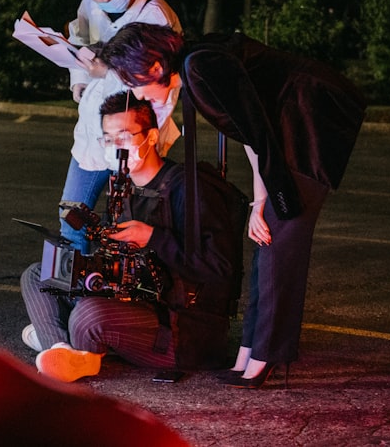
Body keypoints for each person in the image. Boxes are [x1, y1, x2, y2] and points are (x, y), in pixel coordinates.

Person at [99, 23, 366, 389]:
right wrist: (261, 201)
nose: (135, 93)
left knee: (279, 244)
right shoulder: (196, 65)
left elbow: (258, 135)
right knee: (267, 242)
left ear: (156, 68)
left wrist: (265, 201)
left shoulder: (200, 67)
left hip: (310, 125)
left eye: (134, 80)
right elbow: (249, 132)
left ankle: (265, 357)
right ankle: (249, 352)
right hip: (286, 132)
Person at [20, 92, 240, 382]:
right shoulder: (123, 186)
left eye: (123, 137)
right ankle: (61, 348)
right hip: (132, 299)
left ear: (150, 138)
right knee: (40, 272)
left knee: (87, 316)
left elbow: (221, 267)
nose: (115, 147)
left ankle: (62, 338)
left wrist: (153, 237)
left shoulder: (187, 189)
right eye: (108, 139)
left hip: (180, 327)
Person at [59, 0, 182, 254]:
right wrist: (79, 77)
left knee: (122, 231)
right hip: (90, 136)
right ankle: (77, 298)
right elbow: (79, 35)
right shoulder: (90, 3)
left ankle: (111, 302)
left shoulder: (157, 16)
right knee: (71, 222)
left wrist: (108, 73)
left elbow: (163, 90)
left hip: (129, 141)